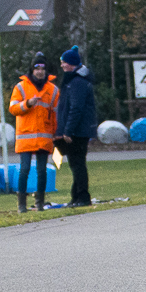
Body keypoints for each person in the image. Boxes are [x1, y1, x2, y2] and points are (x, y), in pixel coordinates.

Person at [7, 54, 59, 213]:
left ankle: (40, 203)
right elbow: (13, 109)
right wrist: (27, 104)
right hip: (26, 137)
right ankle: (21, 204)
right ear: (32, 69)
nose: (40, 71)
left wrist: (56, 134)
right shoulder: (21, 87)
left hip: (44, 137)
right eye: (37, 68)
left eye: (42, 68)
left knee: (42, 171)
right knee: (24, 170)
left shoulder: (53, 90)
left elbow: (56, 114)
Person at [55, 45, 98, 208]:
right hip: (78, 130)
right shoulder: (74, 81)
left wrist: (68, 131)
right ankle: (76, 197)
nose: (62, 65)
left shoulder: (77, 83)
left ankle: (83, 196)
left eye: (64, 62)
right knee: (76, 164)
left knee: (77, 164)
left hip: (77, 131)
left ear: (71, 63)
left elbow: (76, 108)